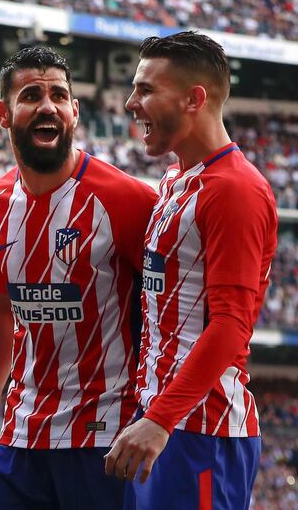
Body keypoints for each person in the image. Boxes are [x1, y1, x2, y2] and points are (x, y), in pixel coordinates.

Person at [0, 46, 158, 509]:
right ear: (3, 113)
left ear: (74, 110)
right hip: (21, 431)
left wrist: (159, 415)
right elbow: (2, 309)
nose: (47, 105)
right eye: (31, 95)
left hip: (106, 435)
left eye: (58, 94)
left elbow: (164, 316)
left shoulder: (129, 201)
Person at [105, 31, 278, 509]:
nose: (130, 103)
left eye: (145, 89)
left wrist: (160, 419)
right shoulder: (176, 180)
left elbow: (230, 327)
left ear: (193, 98)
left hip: (203, 430)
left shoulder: (235, 190)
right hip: (164, 422)